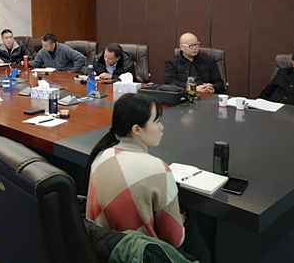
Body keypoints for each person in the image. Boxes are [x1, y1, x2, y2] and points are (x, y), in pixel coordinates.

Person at [84, 93, 210, 263]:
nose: (162, 127)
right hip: (139, 256)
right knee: (190, 227)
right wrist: (178, 221)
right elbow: (174, 239)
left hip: (105, 252)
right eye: (156, 121)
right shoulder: (157, 169)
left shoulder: (100, 157)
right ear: (136, 129)